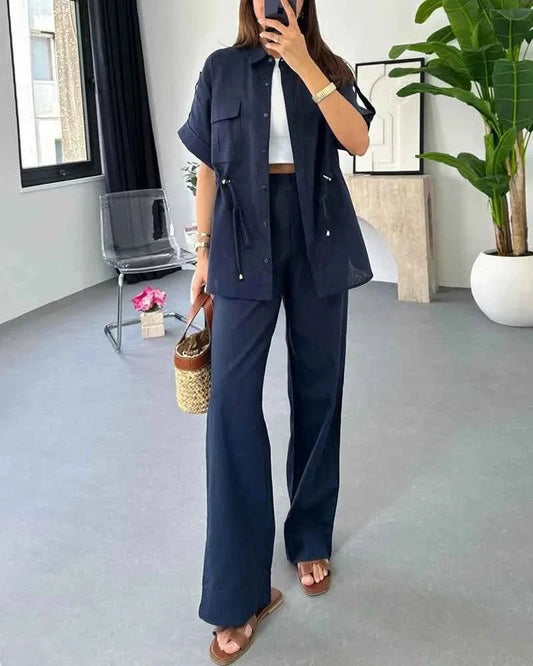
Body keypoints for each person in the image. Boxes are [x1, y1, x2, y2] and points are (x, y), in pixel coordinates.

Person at [177, 0, 376, 662]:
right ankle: (238, 590)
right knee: (231, 407)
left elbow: (358, 140)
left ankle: (310, 534)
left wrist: (302, 63)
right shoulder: (220, 70)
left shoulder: (328, 66)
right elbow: (208, 167)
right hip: (239, 240)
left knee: (319, 388)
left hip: (318, 234)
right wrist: (202, 253)